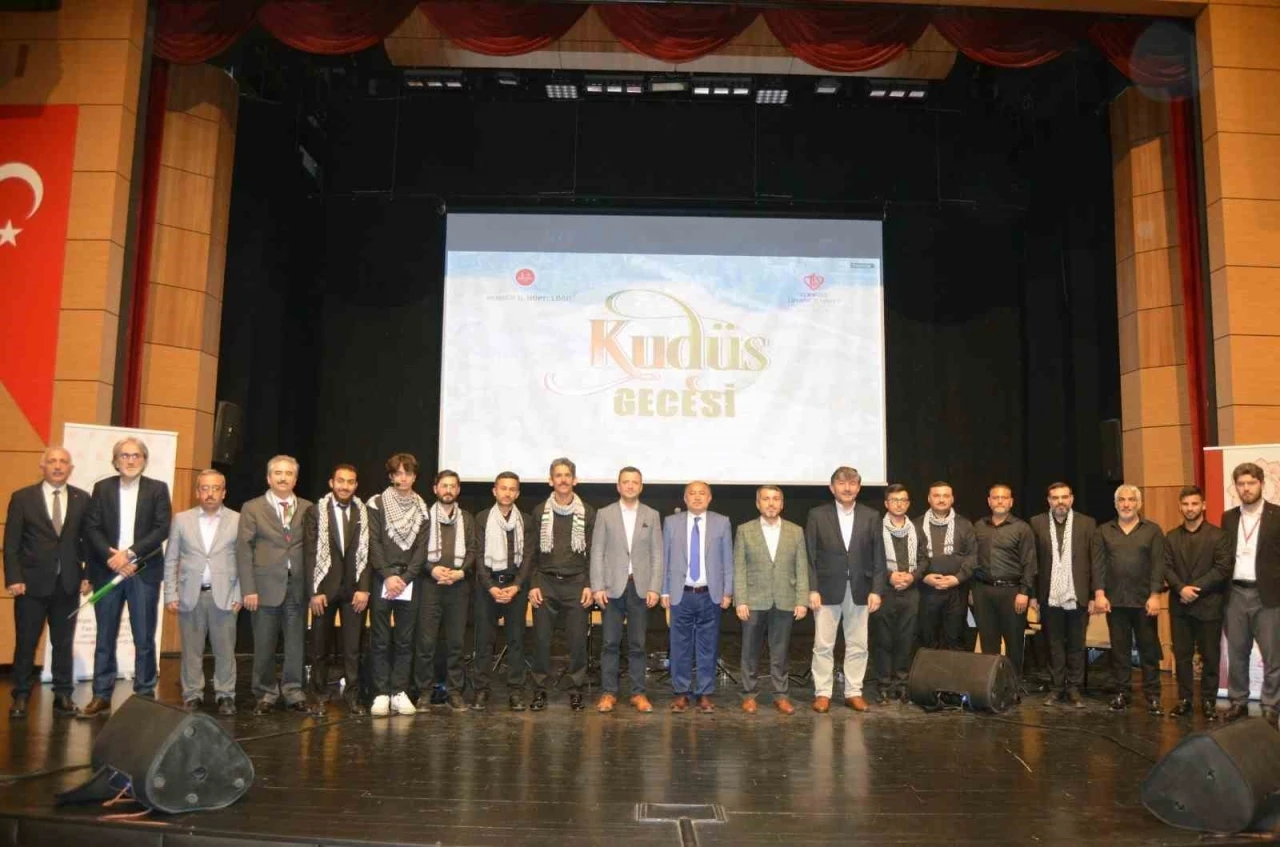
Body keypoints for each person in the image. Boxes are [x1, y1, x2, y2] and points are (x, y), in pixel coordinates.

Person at [81, 437, 172, 716]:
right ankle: (101, 695)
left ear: (144, 460)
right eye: (125, 455)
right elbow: (92, 528)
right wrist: (113, 557)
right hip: (107, 570)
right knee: (105, 638)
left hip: (143, 572)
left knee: (144, 638)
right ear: (115, 461)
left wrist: (130, 554)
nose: (130, 460)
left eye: (136, 456)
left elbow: (162, 528)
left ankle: (144, 695)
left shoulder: (157, 489)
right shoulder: (102, 488)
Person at [4, 447, 88, 719]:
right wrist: (14, 578)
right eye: (52, 461)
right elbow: (11, 543)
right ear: (42, 466)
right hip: (30, 585)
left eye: (63, 461)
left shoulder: (82, 498)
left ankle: (63, 695)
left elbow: (87, 541)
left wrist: (87, 575)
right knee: (26, 642)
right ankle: (21, 695)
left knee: (63, 643)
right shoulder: (22, 497)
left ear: (70, 468)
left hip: (68, 584)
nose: (58, 466)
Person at [804, 466, 884, 713]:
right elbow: (809, 556)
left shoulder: (871, 516)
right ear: (832, 488)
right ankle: (823, 693)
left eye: (852, 483)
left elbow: (878, 556)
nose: (847, 488)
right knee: (823, 645)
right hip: (826, 589)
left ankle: (853, 692)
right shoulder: (817, 515)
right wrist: (812, 588)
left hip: (860, 589)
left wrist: (877, 589)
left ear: (858, 488)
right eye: (841, 483)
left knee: (858, 644)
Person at [237, 454, 313, 716]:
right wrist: (248, 589)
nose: (283, 478)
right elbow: (243, 551)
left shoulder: (307, 508)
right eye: (278, 473)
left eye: (288, 473)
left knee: (296, 645)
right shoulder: (252, 508)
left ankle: (294, 692)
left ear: (295, 479)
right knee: (264, 645)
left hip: (297, 587)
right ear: (269, 478)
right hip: (264, 587)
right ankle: (265, 693)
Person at [164, 469, 241, 715]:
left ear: (224, 492)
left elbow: (244, 560)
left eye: (216, 488)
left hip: (225, 596)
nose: (210, 493)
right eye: (205, 488)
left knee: (225, 650)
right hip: (190, 595)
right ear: (197, 492)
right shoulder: (181, 519)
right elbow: (171, 559)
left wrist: (239, 594)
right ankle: (192, 694)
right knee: (191, 651)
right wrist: (171, 594)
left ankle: (226, 695)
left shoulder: (237, 520)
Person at [590, 466, 663, 714]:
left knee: (638, 644)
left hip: (640, 588)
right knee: (610, 643)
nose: (630, 485)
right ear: (618, 486)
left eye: (635, 482)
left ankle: (638, 693)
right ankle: (608, 693)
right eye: (626, 482)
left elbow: (657, 554)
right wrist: (597, 586)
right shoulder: (605, 514)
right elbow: (597, 552)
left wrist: (655, 587)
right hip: (611, 588)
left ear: (641, 487)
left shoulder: (651, 515)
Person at [528, 458, 597, 712]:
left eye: (567, 475)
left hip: (577, 584)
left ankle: (575, 689)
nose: (563, 479)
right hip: (546, 583)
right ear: (551, 480)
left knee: (578, 642)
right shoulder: (539, 512)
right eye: (558, 475)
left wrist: (589, 584)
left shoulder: (588, 512)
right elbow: (531, 553)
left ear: (574, 480)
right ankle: (540, 689)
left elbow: (593, 552)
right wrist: (534, 583)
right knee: (541, 640)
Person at [304, 464, 371, 717]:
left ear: (356, 485)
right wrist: (314, 590)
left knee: (352, 649)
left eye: (350, 482)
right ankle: (318, 696)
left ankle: (352, 697)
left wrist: (364, 589)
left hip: (354, 590)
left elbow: (368, 554)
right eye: (340, 481)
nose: (345, 486)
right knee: (320, 648)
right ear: (331, 483)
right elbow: (310, 553)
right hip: (325, 589)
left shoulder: (364, 513)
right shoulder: (316, 512)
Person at [735, 485, 809, 715]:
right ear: (758, 503)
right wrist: (741, 600)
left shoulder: (795, 531)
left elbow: (801, 567)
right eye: (766, 499)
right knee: (750, 651)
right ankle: (748, 695)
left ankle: (781, 695)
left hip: (785, 599)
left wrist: (802, 600)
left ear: (782, 504)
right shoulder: (744, 530)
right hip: (753, 600)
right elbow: (739, 568)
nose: (771, 503)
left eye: (776, 499)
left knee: (781, 652)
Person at [365, 453, 429, 717]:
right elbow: (373, 542)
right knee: (380, 639)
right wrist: (388, 575)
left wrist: (405, 578)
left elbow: (422, 550)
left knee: (405, 639)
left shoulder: (422, 508)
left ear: (414, 477)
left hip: (409, 581)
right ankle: (381, 692)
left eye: (408, 473)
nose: (403, 478)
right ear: (391, 476)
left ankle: (399, 691)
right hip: (383, 578)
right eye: (398, 473)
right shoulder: (376, 504)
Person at [1093, 484, 1165, 714]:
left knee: (1148, 651)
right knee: (1119, 652)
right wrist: (1099, 593)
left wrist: (1155, 595)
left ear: (1139, 503)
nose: (1126, 504)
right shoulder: (1103, 531)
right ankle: (1122, 693)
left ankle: (1153, 696)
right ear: (1115, 504)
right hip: (1114, 602)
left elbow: (1159, 565)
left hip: (1145, 602)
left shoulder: (1152, 530)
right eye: (1122, 500)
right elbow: (1098, 565)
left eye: (1131, 500)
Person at [662, 481, 733, 714]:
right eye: (692, 493)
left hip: (709, 594)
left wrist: (727, 592)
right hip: (680, 593)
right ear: (685, 498)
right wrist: (664, 590)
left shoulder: (722, 522)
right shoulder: (671, 523)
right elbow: (665, 559)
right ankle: (681, 692)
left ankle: (704, 693)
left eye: (702, 493)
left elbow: (727, 560)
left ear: (709, 498)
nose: (697, 497)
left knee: (708, 647)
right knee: (679, 646)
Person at [1029, 482, 1100, 709]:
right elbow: (1032, 562)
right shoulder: (1037, 523)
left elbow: (1095, 561)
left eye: (1064, 497)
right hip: (1048, 595)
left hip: (1077, 593)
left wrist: (1093, 594)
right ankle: (1056, 688)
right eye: (1055, 498)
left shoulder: (1087, 523)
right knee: (1054, 644)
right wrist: (1032, 594)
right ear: (1049, 501)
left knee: (1076, 644)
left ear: (1072, 499)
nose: (1060, 501)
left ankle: (1074, 689)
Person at [1163, 485, 1231, 719]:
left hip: (1209, 605)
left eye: (1194, 503)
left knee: (1210, 656)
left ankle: (1209, 702)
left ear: (1203, 505)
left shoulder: (1219, 536)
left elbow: (1222, 569)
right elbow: (1166, 567)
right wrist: (1181, 588)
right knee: (1182, 657)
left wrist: (1194, 589)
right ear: (1180, 507)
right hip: (1179, 605)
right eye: (1185, 504)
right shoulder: (1171, 537)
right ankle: (1184, 701)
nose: (1190, 508)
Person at [1221, 462, 1280, 724]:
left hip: (1268, 595)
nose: (1246, 488)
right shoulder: (1228, 517)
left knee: (1273, 655)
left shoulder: (1277, 515)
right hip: (1235, 593)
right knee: (1236, 653)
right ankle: (1238, 702)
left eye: (1251, 483)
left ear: (1262, 484)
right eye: (1241, 484)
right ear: (1236, 487)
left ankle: (1271, 706)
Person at [413, 469, 476, 712]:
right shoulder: (423, 518)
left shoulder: (467, 519)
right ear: (435, 489)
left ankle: (454, 691)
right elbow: (416, 550)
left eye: (452, 486)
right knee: (426, 643)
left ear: (458, 490)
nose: (448, 490)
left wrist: (461, 572)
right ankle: (424, 692)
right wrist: (432, 570)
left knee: (456, 643)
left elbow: (473, 550)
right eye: (444, 486)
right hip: (430, 587)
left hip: (458, 587)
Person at [472, 472, 535, 712]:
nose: (507, 493)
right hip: (487, 587)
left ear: (517, 493)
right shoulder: (482, 518)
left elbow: (528, 556)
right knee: (484, 640)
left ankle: (516, 690)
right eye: (503, 488)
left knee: (516, 640)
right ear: (494, 491)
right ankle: (481, 689)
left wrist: (517, 586)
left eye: (512, 489)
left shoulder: (525, 520)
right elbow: (478, 555)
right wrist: (490, 586)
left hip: (515, 587)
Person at [972, 484, 1036, 687]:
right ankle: (991, 686)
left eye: (1004, 497)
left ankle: (1012, 686)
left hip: (1013, 592)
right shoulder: (979, 526)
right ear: (989, 501)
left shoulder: (1022, 528)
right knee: (988, 641)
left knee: (1014, 642)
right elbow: (972, 559)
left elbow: (1030, 563)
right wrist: (972, 590)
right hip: (983, 591)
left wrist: (1024, 592)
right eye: (995, 497)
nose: (1000, 501)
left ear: (1011, 502)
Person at [873, 484, 927, 704]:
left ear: (908, 504)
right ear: (886, 503)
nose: (899, 504)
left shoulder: (917, 530)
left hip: (910, 592)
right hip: (884, 591)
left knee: (906, 640)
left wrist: (912, 577)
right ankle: (884, 685)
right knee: (884, 640)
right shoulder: (875, 529)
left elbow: (924, 560)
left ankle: (902, 684)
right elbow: (869, 559)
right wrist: (890, 576)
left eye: (903, 500)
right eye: (894, 500)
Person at [915, 481, 977, 651]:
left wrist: (957, 578)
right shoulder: (915, 525)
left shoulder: (965, 525)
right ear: (929, 499)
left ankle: (954, 670)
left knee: (955, 639)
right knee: (927, 640)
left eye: (945, 496)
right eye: (937, 495)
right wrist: (924, 577)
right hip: (926, 591)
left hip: (956, 590)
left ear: (952, 499)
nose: (941, 499)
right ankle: (928, 670)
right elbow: (910, 558)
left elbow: (973, 556)